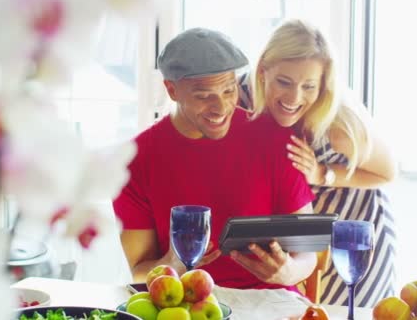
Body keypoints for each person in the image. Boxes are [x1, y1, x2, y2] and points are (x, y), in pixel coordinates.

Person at [113, 28, 318, 292]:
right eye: (204, 96)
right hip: (183, 303)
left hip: (269, 302)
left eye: (228, 91)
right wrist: (173, 264)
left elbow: (307, 253)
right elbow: (139, 271)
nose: (221, 108)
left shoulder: (275, 138)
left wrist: (288, 272)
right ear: (172, 90)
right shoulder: (134, 160)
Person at [242, 19, 397, 307]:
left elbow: (387, 173)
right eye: (284, 82)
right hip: (298, 227)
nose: (294, 98)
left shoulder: (337, 125)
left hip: (351, 233)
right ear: (263, 70)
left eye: (309, 86)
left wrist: (322, 173)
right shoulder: (243, 98)